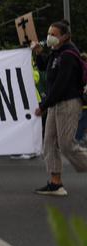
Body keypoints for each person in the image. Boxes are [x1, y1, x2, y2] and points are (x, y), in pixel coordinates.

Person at [32, 20, 87, 196]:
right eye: (49, 33)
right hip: (56, 104)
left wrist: (43, 106)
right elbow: (43, 68)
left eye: (54, 34)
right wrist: (38, 53)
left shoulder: (69, 54)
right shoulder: (56, 52)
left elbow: (61, 85)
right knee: (49, 142)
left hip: (68, 103)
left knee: (66, 145)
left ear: (65, 36)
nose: (49, 37)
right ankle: (56, 183)